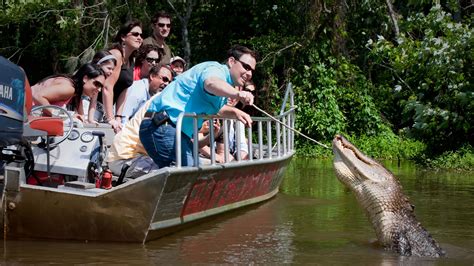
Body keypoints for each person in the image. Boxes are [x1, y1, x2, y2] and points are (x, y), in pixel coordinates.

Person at [139, 45, 257, 168]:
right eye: (246, 67)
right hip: (162, 125)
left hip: (175, 131)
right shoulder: (216, 69)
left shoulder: (224, 85)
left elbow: (218, 110)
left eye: (252, 70)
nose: (249, 74)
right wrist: (238, 94)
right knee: (189, 173)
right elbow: (211, 83)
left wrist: (237, 113)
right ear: (232, 62)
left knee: (195, 172)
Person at [102, 20, 143, 132]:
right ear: (123, 37)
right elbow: (107, 87)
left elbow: (124, 90)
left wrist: (118, 117)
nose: (139, 37)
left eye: (141, 35)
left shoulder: (131, 59)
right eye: (135, 34)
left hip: (107, 110)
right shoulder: (116, 54)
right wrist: (110, 118)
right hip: (94, 106)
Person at [31, 63, 105, 122]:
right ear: (85, 78)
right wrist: (61, 115)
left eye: (101, 86)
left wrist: (71, 116)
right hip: (25, 113)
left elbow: (81, 115)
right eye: (97, 84)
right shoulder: (69, 88)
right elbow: (37, 96)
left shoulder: (76, 91)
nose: (99, 90)